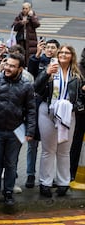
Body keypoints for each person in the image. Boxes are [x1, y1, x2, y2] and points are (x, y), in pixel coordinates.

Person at [0, 53, 36, 206]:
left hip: (16, 130)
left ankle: (8, 192)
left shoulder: (26, 86)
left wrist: (30, 131)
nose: (8, 68)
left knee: (11, 163)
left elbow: (31, 109)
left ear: (20, 69)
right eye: (7, 64)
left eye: (12, 66)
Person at [35, 44, 82, 197]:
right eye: (61, 52)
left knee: (64, 151)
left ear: (71, 56)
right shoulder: (49, 68)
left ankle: (63, 183)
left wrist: (78, 104)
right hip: (48, 111)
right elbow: (36, 87)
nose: (62, 54)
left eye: (66, 52)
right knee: (48, 150)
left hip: (68, 113)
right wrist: (46, 74)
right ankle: (45, 183)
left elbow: (80, 96)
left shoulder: (77, 74)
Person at [25, 38, 60, 188]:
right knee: (32, 144)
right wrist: (37, 54)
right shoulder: (39, 61)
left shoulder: (60, 64)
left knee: (50, 147)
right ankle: (30, 174)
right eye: (48, 47)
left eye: (53, 47)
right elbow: (31, 72)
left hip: (53, 108)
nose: (50, 49)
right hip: (36, 107)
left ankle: (48, 176)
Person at [70, 47, 85, 181]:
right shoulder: (79, 69)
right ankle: (71, 173)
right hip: (81, 114)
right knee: (76, 143)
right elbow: (75, 91)